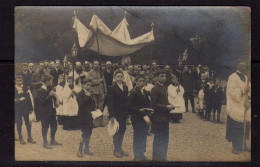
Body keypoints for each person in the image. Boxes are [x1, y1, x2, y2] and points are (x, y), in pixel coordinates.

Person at [226, 61, 251, 154]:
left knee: (245, 126)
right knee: (236, 127)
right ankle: (235, 147)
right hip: (235, 105)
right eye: (241, 66)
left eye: (244, 66)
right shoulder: (232, 77)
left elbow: (250, 91)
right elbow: (231, 92)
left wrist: (248, 101)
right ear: (237, 66)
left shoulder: (246, 78)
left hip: (244, 105)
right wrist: (243, 90)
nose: (243, 67)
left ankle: (243, 144)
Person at [150, 69, 174, 161]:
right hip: (158, 118)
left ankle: (163, 157)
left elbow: (165, 101)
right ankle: (156, 159)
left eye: (164, 76)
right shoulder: (155, 88)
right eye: (161, 76)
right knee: (158, 139)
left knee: (165, 138)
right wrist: (166, 107)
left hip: (164, 118)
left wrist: (170, 105)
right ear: (156, 77)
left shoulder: (164, 87)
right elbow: (153, 105)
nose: (164, 78)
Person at [127, 75, 151, 161]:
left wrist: (149, 109)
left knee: (143, 135)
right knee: (138, 136)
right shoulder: (134, 92)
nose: (142, 82)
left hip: (144, 117)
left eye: (143, 81)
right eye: (140, 81)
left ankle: (142, 153)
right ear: (136, 82)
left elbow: (148, 103)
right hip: (136, 118)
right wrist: (138, 110)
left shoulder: (144, 91)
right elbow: (129, 107)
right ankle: (136, 155)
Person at [107, 70, 129, 158]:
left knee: (122, 131)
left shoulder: (125, 87)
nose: (120, 78)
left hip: (124, 113)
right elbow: (110, 103)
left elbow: (126, 101)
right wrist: (112, 116)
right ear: (115, 78)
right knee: (116, 131)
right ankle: (116, 150)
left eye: (121, 76)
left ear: (123, 77)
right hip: (116, 113)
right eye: (118, 76)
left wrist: (128, 113)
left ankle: (120, 148)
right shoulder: (111, 88)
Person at [38, 74, 61, 149]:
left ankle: (52, 140)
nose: (52, 82)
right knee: (45, 127)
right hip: (44, 112)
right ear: (47, 81)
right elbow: (42, 102)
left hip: (52, 111)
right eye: (51, 81)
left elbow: (54, 97)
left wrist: (56, 101)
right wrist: (50, 95)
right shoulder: (41, 90)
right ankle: (45, 142)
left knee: (54, 126)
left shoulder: (50, 87)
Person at [76, 78, 95, 157]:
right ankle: (80, 150)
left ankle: (86, 149)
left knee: (89, 132)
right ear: (83, 85)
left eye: (90, 85)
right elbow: (81, 104)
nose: (89, 86)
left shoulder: (90, 93)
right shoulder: (80, 93)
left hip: (90, 116)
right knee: (85, 133)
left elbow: (93, 104)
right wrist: (87, 96)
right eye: (87, 85)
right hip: (83, 117)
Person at [15, 75, 36, 144]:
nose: (19, 82)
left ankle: (29, 137)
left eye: (20, 80)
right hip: (17, 109)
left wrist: (31, 108)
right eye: (17, 81)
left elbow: (30, 98)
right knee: (19, 123)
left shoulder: (26, 88)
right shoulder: (14, 89)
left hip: (25, 108)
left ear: (22, 81)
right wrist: (18, 100)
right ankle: (20, 137)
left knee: (28, 123)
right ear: (15, 81)